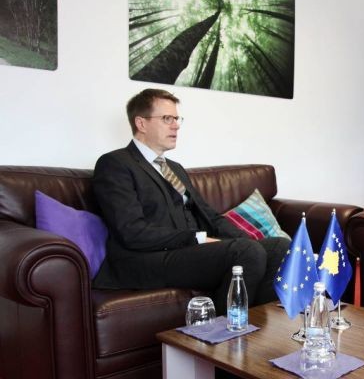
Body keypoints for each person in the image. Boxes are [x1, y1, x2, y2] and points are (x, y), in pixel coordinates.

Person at [92, 88, 289, 314]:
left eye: (177, 119)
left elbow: (209, 215)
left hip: (185, 253)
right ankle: (224, 331)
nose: (176, 125)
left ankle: (257, 325)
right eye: (167, 118)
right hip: (145, 258)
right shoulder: (115, 164)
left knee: (279, 247)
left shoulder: (174, 169)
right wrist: (197, 239)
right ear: (141, 123)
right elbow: (131, 231)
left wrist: (249, 240)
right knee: (246, 252)